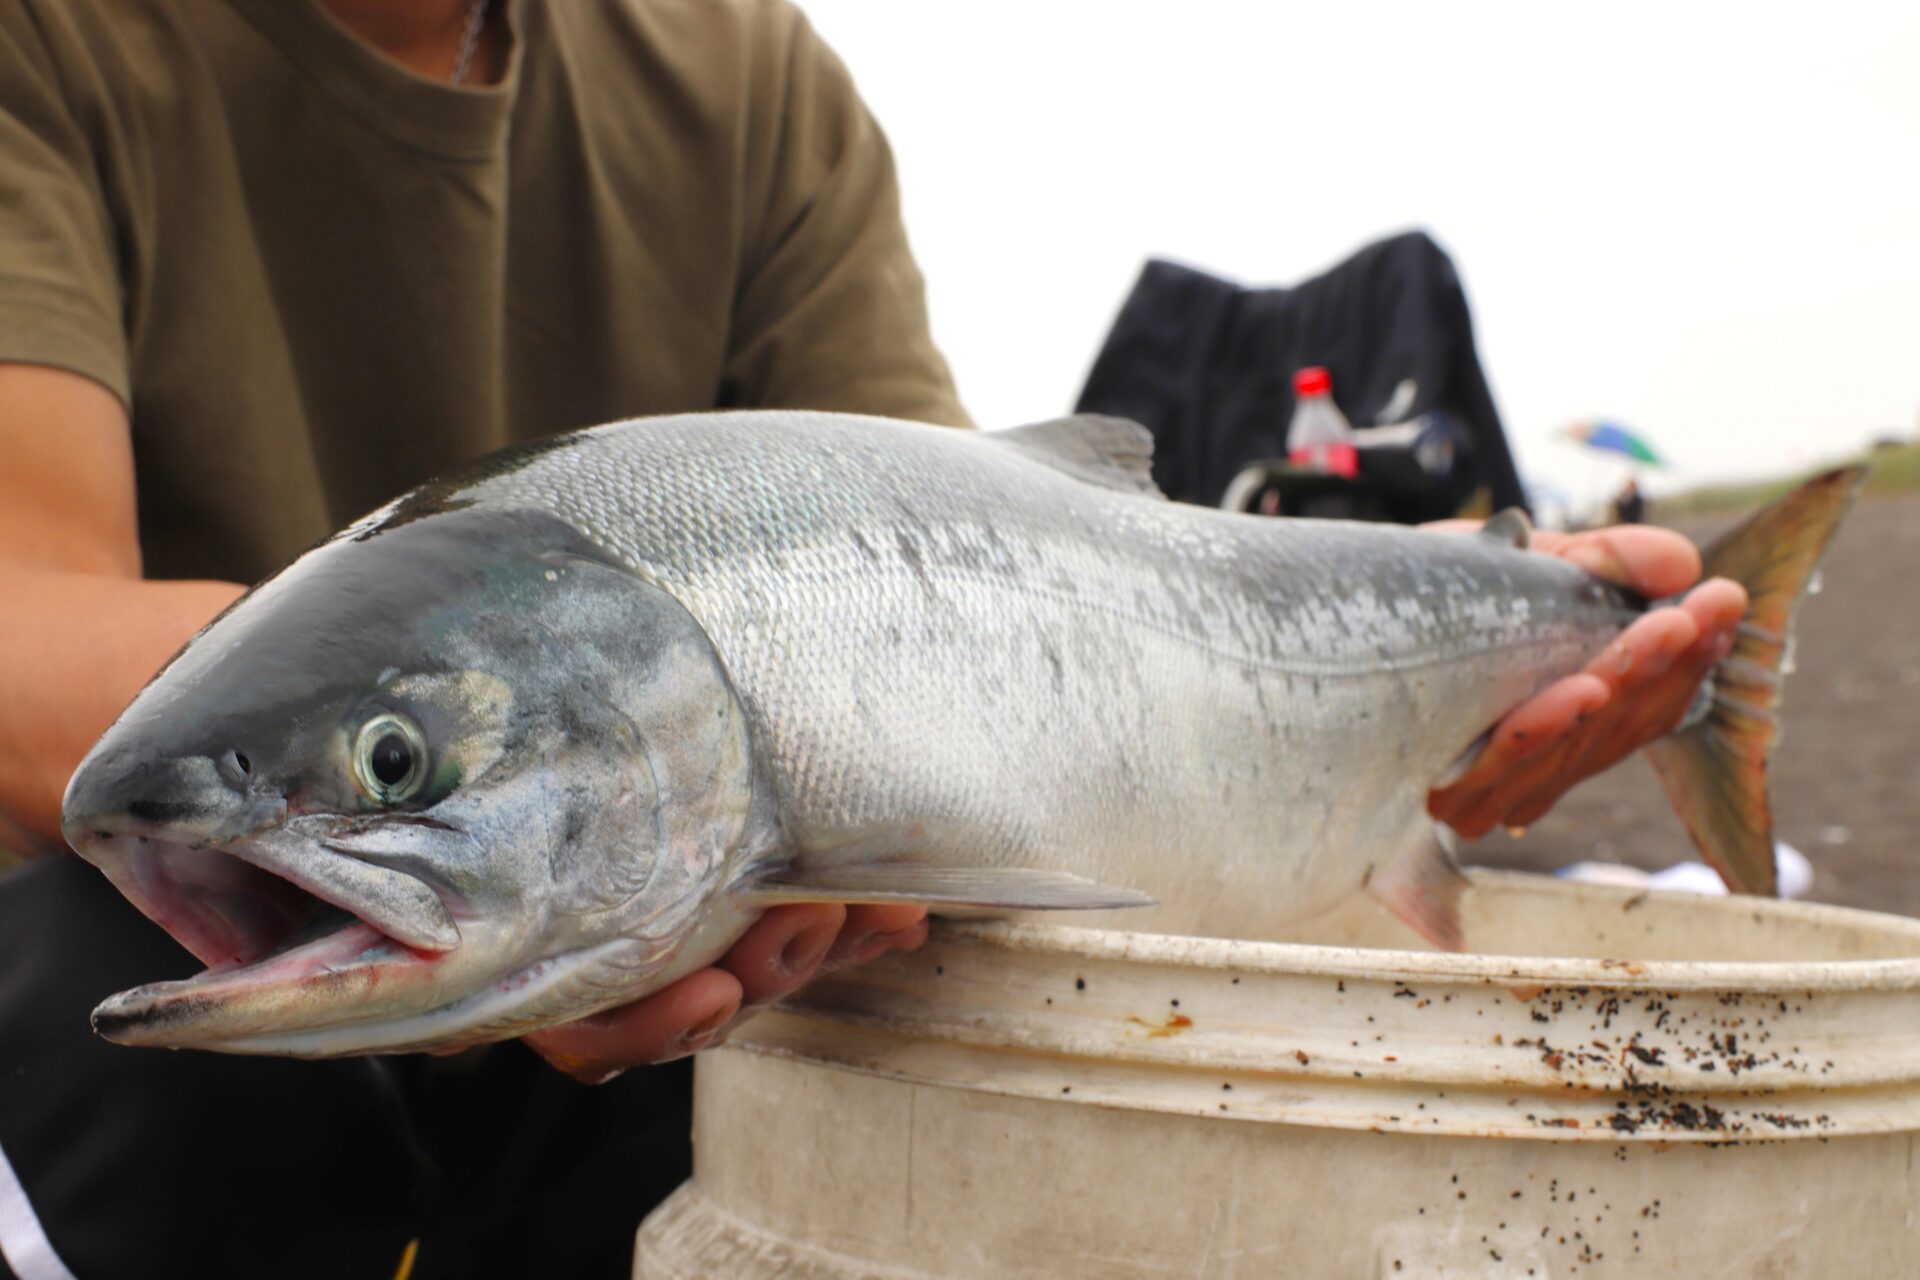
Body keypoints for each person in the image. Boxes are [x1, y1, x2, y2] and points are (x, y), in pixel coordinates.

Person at [0, 1, 1744, 1275]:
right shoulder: (54, 42)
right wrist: (427, 802)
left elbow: (1001, 538)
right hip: (249, 1013)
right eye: (399, 764)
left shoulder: (746, 74)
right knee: (108, 1000)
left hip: (679, 966)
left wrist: (1449, 637)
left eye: (397, 767)